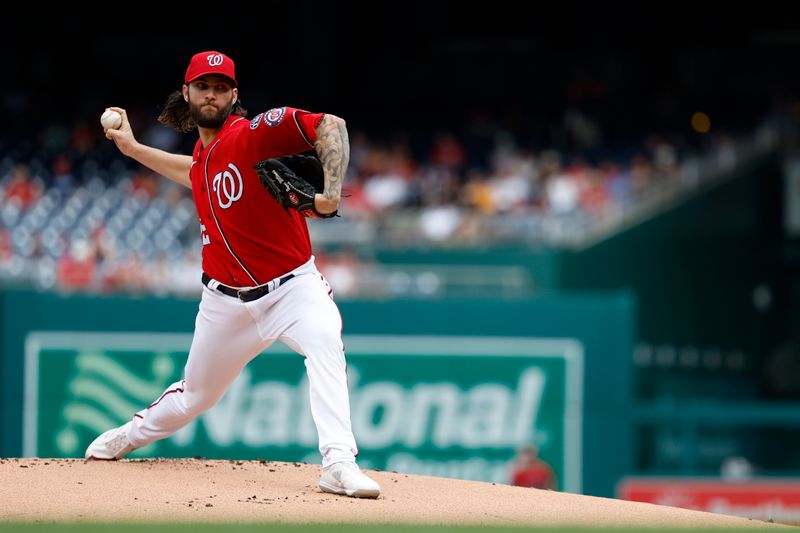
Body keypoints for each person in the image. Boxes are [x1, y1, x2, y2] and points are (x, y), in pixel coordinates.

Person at [84, 51, 380, 499]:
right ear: (187, 93)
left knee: (324, 342)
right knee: (195, 397)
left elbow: (330, 125)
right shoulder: (204, 156)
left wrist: (330, 197)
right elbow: (194, 172)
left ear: (234, 95)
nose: (212, 94)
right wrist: (132, 149)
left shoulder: (253, 134)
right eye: (203, 86)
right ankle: (130, 434)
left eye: (221, 87)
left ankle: (338, 462)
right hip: (224, 303)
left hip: (292, 288)